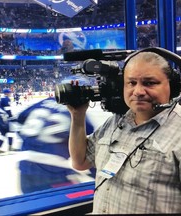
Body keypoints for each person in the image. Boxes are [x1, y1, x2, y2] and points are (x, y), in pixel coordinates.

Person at [67, 51, 181, 214]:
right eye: (131, 83)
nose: (138, 91)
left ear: (173, 86)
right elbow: (81, 161)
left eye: (149, 83)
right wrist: (78, 116)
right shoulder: (115, 122)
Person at [16, 97, 95, 193]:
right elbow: (87, 144)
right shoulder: (75, 110)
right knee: (73, 199)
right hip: (52, 170)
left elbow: (20, 118)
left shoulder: (43, 102)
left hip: (25, 166)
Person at [0, 88, 18, 155]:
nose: (10, 93)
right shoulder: (6, 98)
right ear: (7, 93)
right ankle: (10, 147)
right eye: (9, 92)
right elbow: (8, 110)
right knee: (11, 130)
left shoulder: (0, 98)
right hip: (1, 116)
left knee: (3, 132)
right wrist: (12, 117)